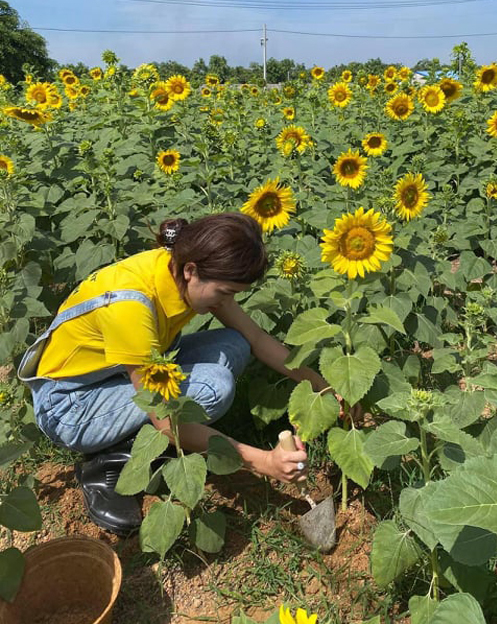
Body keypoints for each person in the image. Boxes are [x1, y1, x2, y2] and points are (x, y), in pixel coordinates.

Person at [18, 213, 333, 535]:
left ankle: (148, 439)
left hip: (113, 376)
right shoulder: (131, 307)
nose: (228, 302)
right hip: (71, 406)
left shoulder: (181, 267)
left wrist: (324, 388)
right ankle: (109, 463)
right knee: (213, 388)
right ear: (191, 272)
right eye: (224, 293)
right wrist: (265, 463)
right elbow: (165, 421)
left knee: (235, 344)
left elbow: (256, 338)